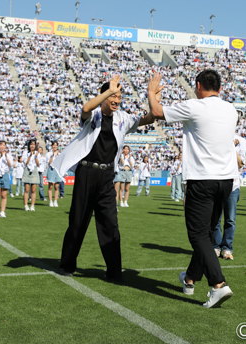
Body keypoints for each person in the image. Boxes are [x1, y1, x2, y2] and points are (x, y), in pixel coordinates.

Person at [51, 74, 158, 283]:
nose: (117, 99)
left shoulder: (123, 118)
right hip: (86, 173)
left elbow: (149, 118)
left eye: (120, 96)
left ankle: (114, 271)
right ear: (105, 95)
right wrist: (107, 92)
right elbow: (85, 109)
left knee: (110, 224)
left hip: (107, 175)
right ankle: (66, 265)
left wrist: (153, 97)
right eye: (113, 95)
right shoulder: (95, 115)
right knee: (77, 221)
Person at [148, 69, 237, 309]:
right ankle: (189, 279)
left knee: (197, 235)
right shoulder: (231, 109)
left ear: (198, 86)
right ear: (219, 87)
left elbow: (157, 112)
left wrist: (151, 92)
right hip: (226, 180)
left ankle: (218, 284)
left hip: (202, 179)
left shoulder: (195, 106)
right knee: (207, 234)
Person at [213, 132, 246, 260]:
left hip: (233, 185)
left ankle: (227, 248)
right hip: (217, 183)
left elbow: (240, 164)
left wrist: (232, 148)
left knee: (230, 220)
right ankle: (215, 247)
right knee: (215, 219)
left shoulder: (242, 141)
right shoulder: (216, 135)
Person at [22, 139, 40, 211]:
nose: (32, 146)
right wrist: (30, 155)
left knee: (33, 190)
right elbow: (25, 163)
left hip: (34, 170)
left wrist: (35, 156)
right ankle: (26, 205)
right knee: (26, 189)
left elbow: (38, 164)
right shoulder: (25, 152)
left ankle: (32, 206)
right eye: (31, 144)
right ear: (29, 145)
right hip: (27, 170)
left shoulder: (37, 153)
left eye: (33, 144)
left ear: (35, 145)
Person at [46, 141, 62, 207]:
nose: (55, 146)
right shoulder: (48, 154)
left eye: (56, 145)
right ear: (52, 146)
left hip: (57, 170)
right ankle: (50, 201)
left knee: (56, 187)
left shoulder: (60, 154)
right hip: (51, 170)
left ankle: (55, 201)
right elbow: (49, 163)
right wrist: (53, 155)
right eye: (53, 145)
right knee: (50, 187)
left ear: (57, 146)